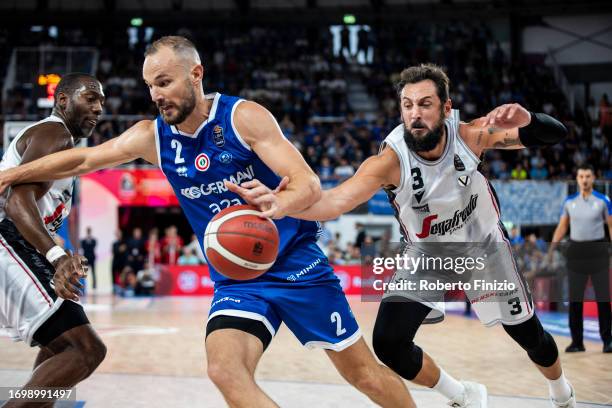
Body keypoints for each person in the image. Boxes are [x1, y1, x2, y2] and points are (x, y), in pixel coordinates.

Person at [0, 36, 414, 408]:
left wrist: (279, 201)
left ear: (195, 74)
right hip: (236, 279)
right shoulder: (154, 136)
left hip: (296, 265)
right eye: (150, 86)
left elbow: (308, 183)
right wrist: (10, 174)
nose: (156, 95)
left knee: (363, 375)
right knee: (225, 370)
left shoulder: (243, 117)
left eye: (164, 82)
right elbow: (84, 159)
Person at [229, 64, 575, 408]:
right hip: (428, 254)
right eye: (407, 105)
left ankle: (561, 393)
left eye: (425, 104)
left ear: (447, 108)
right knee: (389, 344)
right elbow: (335, 201)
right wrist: (282, 203)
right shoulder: (389, 161)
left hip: (483, 247)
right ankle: (463, 394)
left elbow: (554, 133)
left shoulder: (471, 135)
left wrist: (527, 118)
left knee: (529, 336)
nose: (415, 114)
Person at [0, 73, 106, 406]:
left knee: (58, 345)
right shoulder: (54, 133)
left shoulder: (62, 142)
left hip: (19, 244)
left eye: (101, 100)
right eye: (90, 98)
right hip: (7, 239)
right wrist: (57, 256)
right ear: (62, 100)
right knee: (86, 350)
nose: (99, 107)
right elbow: (17, 202)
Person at [549, 163, 612, 353]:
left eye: (587, 176)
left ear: (593, 178)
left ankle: (608, 341)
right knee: (575, 300)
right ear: (577, 179)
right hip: (576, 254)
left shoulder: (603, 200)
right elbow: (562, 227)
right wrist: (552, 247)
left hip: (598, 252)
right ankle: (577, 342)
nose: (584, 180)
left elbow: (610, 226)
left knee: (603, 299)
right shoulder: (569, 202)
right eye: (581, 176)